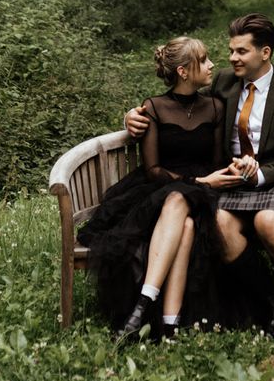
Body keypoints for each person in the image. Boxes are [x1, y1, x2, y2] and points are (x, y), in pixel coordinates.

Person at [126, 14, 274, 337]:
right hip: (235, 180)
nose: (232, 57)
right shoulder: (223, 82)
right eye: (231, 50)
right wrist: (132, 116)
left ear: (265, 53)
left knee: (268, 222)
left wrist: (262, 172)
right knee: (219, 225)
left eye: (241, 51)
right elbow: (180, 105)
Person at [77, 37, 242, 339]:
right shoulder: (154, 107)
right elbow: (153, 170)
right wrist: (199, 182)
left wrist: (220, 176)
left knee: (185, 207)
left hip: (205, 193)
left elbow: (218, 161)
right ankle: (168, 322)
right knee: (185, 219)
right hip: (160, 189)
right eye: (203, 60)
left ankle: (143, 307)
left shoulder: (215, 107)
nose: (211, 65)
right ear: (183, 71)